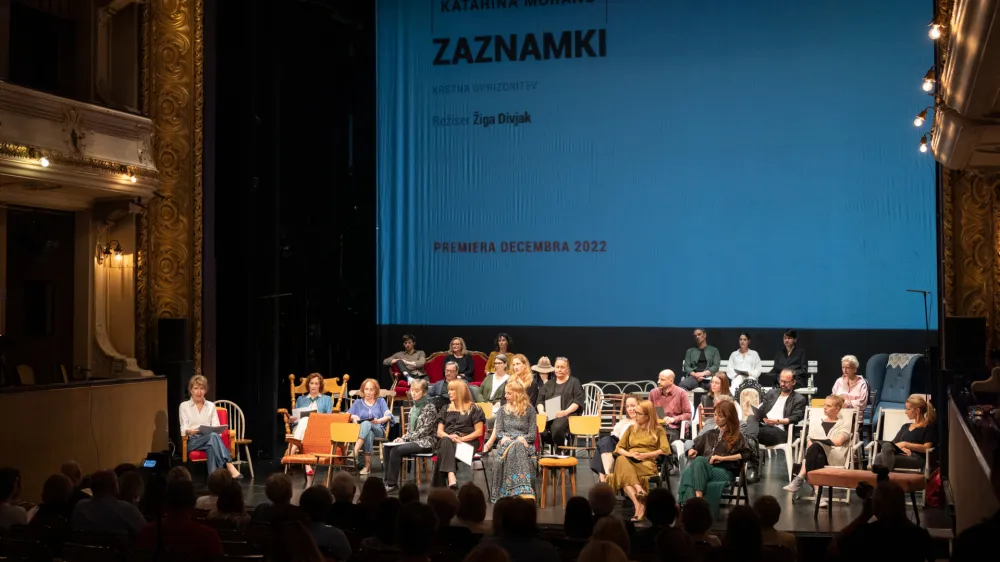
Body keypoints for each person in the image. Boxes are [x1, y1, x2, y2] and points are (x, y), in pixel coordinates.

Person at [678, 401, 751, 515]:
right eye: (715, 415)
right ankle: (698, 503)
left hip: (724, 471)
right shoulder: (710, 433)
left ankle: (689, 507)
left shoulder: (737, 436)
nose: (716, 418)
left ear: (729, 417)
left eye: (720, 416)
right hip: (705, 469)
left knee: (692, 468)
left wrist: (722, 458)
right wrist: (692, 450)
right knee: (696, 463)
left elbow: (746, 454)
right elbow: (695, 445)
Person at [784, 395, 852, 507]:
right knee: (816, 453)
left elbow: (839, 441)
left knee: (816, 446)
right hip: (817, 456)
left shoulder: (844, 422)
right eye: (824, 405)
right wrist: (815, 444)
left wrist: (819, 443)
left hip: (834, 455)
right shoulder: (816, 421)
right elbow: (809, 440)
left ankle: (801, 476)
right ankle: (818, 495)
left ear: (837, 409)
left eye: (828, 406)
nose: (824, 408)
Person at [609, 400, 671, 521]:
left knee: (624, 475)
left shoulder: (658, 430)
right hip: (630, 460)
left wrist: (645, 455)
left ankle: (639, 505)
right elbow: (618, 448)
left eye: (638, 413)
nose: (635, 415)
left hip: (646, 463)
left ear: (647, 416)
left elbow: (665, 450)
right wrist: (630, 454)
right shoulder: (631, 428)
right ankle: (639, 502)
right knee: (621, 459)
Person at [179, 375, 242, 478]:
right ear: (191, 390)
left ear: (205, 390)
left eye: (202, 388)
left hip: (210, 438)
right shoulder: (184, 406)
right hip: (194, 441)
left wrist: (214, 431)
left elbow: (216, 426)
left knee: (212, 445)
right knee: (213, 437)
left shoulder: (211, 406)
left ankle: (213, 480)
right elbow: (183, 428)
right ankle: (229, 465)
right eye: (196, 388)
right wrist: (190, 431)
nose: (199, 392)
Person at [484, 380, 537, 500]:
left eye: (509, 393)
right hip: (506, 443)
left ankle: (512, 490)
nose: (505, 396)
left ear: (517, 394)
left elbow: (532, 435)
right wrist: (515, 438)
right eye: (505, 393)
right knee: (516, 445)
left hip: (525, 443)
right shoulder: (502, 411)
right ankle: (522, 489)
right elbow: (499, 432)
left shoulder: (530, 411)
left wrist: (520, 439)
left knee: (517, 445)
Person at [385, 380, 441, 493]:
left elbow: (424, 430)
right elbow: (410, 430)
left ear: (424, 392)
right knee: (387, 447)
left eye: (417, 390)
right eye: (412, 390)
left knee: (396, 450)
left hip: (426, 441)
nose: (413, 393)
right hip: (414, 440)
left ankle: (392, 484)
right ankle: (387, 481)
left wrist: (406, 439)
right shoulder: (414, 408)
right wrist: (402, 438)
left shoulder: (430, 408)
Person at [434, 381, 486, 489]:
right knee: (446, 441)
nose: (449, 392)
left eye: (452, 390)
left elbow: (479, 432)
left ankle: (439, 489)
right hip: (448, 441)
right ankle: (451, 475)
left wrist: (461, 439)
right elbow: (439, 432)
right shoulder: (445, 408)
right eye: (449, 390)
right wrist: (450, 437)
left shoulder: (474, 408)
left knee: (443, 450)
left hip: (467, 444)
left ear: (461, 391)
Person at [872, 394, 936, 474]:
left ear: (917, 410)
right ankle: (885, 479)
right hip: (901, 455)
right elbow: (894, 444)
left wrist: (907, 445)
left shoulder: (928, 427)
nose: (906, 412)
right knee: (885, 447)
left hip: (916, 458)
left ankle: (885, 478)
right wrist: (902, 450)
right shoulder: (905, 426)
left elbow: (926, 448)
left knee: (880, 457)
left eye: (908, 409)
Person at [288, 373, 335, 477]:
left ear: (320, 385)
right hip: (299, 428)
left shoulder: (327, 399)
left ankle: (292, 451)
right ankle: (307, 464)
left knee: (306, 420)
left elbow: (329, 418)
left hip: (317, 429)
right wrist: (292, 419)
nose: (313, 386)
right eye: (311, 383)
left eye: (316, 383)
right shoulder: (301, 399)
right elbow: (295, 418)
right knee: (304, 421)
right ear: (308, 384)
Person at [537, 357, 586, 448]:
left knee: (557, 427)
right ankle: (552, 446)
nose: (559, 369)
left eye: (562, 367)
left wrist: (565, 412)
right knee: (537, 427)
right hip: (549, 415)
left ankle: (560, 448)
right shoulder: (549, 384)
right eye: (557, 367)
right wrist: (541, 412)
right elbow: (540, 401)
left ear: (567, 369)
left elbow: (577, 401)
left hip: (567, 415)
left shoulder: (574, 382)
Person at [348, 378, 393, 475]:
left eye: (371, 389)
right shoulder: (358, 402)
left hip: (379, 430)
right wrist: (353, 417)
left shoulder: (380, 401)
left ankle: (355, 450)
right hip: (362, 431)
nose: (368, 392)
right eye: (366, 389)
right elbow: (347, 415)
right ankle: (367, 466)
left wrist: (379, 420)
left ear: (375, 391)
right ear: (363, 390)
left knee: (366, 423)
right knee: (368, 432)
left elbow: (389, 416)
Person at [591, 395, 639, 482]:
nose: (630, 409)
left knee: (601, 446)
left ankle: (604, 479)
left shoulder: (643, 421)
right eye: (627, 406)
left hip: (631, 447)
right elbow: (615, 435)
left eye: (633, 406)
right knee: (605, 441)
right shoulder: (624, 421)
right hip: (618, 445)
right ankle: (607, 476)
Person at [647, 369, 693, 443]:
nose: (658, 382)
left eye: (662, 380)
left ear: (671, 381)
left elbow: (688, 415)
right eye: (659, 379)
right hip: (656, 427)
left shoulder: (681, 393)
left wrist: (673, 419)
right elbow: (648, 412)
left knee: (665, 437)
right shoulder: (653, 393)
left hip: (673, 428)